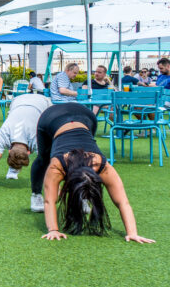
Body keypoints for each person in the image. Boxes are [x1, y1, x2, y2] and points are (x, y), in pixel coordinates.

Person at [29, 103, 153, 243]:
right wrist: (53, 230)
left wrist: (132, 233)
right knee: (43, 158)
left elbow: (123, 202)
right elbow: (49, 201)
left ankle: (82, 197)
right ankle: (35, 194)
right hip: (51, 117)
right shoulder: (57, 166)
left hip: (85, 115)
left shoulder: (103, 166)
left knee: (78, 186)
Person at [0, 93, 50, 192]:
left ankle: (14, 168)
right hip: (19, 101)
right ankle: (14, 168)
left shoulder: (36, 137)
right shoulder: (5, 134)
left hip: (41, 102)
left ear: (9, 150)